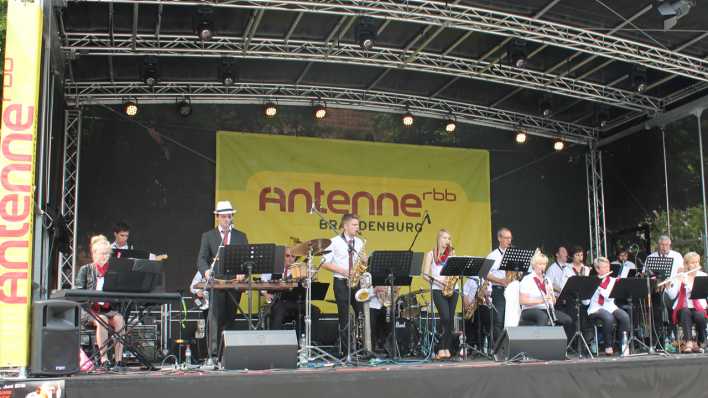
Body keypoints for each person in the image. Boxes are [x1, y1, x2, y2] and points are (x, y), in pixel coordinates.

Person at [196, 200, 248, 368]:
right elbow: (201, 258)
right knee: (214, 318)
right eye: (224, 216)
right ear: (217, 217)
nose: (227, 219)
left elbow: (247, 259)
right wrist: (205, 271)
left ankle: (227, 354)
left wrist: (243, 272)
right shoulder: (209, 236)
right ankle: (211, 355)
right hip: (216, 281)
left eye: (229, 216)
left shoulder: (241, 236)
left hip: (234, 283)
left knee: (229, 318)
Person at [75, 235, 125, 369]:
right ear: (94, 254)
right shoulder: (85, 270)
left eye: (107, 254)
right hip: (89, 310)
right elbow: (78, 294)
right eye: (102, 253)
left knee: (119, 319)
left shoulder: (113, 271)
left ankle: (119, 360)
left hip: (107, 309)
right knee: (102, 318)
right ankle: (104, 359)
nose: (105, 256)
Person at [321, 213, 367, 357]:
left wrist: (364, 261)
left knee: (362, 314)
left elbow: (361, 263)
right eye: (354, 225)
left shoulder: (359, 242)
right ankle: (346, 351)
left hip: (356, 282)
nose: (357, 227)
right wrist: (344, 271)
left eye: (358, 225)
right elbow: (324, 263)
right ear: (345, 226)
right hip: (341, 282)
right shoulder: (333, 241)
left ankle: (363, 347)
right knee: (345, 317)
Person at [263, 247, 321, 336]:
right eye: (287, 256)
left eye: (293, 256)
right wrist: (265, 294)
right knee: (279, 309)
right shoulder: (273, 267)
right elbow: (262, 283)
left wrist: (309, 278)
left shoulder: (300, 269)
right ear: (282, 257)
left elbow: (307, 286)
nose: (290, 259)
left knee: (314, 310)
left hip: (296, 301)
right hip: (279, 301)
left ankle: (307, 341)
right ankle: (274, 341)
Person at [518, 251, 574, 341]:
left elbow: (553, 301)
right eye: (540, 264)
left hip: (547, 309)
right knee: (542, 317)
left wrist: (552, 298)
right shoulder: (527, 279)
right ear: (534, 265)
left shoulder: (547, 279)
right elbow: (522, 301)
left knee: (567, 320)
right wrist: (541, 301)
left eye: (544, 264)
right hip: (529, 310)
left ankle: (562, 347)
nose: (542, 267)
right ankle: (539, 346)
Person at [421, 229, 457, 359]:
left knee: (451, 320)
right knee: (445, 318)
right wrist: (438, 282)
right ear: (439, 239)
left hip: (453, 288)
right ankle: (440, 347)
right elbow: (425, 274)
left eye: (449, 238)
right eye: (445, 238)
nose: (447, 241)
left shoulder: (452, 253)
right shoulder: (430, 254)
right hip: (438, 289)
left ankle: (446, 348)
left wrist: (452, 281)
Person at [586, 256, 630, 356]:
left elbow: (609, 298)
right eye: (604, 267)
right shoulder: (592, 281)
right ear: (597, 269)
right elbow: (586, 301)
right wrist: (594, 285)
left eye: (608, 266)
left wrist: (599, 288)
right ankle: (608, 346)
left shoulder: (612, 281)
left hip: (610, 306)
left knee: (625, 317)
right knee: (608, 318)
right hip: (595, 308)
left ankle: (623, 345)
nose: (607, 269)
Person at [665, 252, 707, 353]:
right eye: (692, 263)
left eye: (697, 262)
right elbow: (672, 295)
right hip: (683, 308)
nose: (696, 264)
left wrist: (687, 283)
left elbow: (701, 292)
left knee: (700, 316)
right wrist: (668, 286)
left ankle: (699, 341)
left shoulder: (703, 276)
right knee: (685, 311)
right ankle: (688, 342)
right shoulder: (681, 276)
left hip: (699, 307)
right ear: (687, 264)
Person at [484, 227, 513, 340]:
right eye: (506, 238)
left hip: (512, 291)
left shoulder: (513, 254)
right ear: (499, 238)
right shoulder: (492, 255)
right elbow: (485, 274)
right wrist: (500, 280)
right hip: (499, 290)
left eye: (510, 238)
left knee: (511, 319)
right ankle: (498, 348)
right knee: (499, 320)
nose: (509, 241)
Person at [462, 276, 492, 351]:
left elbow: (489, 302)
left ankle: (483, 347)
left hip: (482, 307)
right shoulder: (471, 280)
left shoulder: (487, 282)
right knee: (473, 327)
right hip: (471, 307)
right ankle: (471, 347)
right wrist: (467, 306)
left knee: (486, 317)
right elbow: (464, 294)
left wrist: (486, 294)